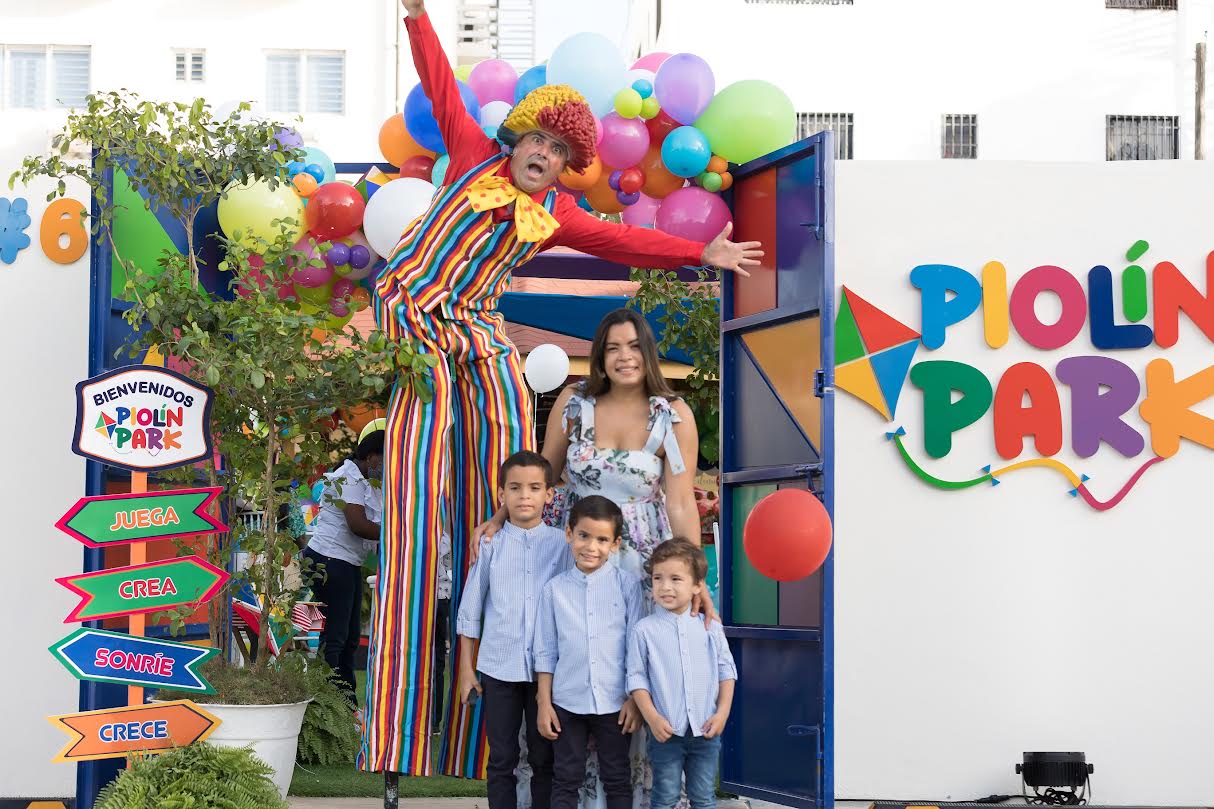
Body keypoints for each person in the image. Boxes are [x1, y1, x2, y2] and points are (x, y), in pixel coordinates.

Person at [367, 0, 762, 779]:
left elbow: (625, 238)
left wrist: (698, 252)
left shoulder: (554, 216)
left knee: (514, 399)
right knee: (435, 411)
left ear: (564, 165)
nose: (543, 155)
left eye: (558, 151)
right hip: (415, 312)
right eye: (537, 141)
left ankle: (501, 517)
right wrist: (415, 14)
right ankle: (424, 538)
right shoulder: (473, 151)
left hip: (475, 324)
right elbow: (439, 79)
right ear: (516, 139)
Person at [455, 451, 571, 809]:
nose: (525, 496)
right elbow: (471, 610)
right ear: (501, 494)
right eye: (516, 488)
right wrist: (464, 669)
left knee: (543, 758)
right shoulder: (490, 545)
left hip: (547, 672)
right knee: (502, 757)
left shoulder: (562, 545)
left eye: (535, 488)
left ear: (549, 495)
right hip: (498, 668)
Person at [533, 496, 645, 809]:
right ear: (569, 533)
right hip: (567, 702)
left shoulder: (627, 586)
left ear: (615, 544)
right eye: (583, 535)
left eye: (601, 539)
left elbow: (636, 647)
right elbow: (545, 650)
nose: (591, 547)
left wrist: (635, 699)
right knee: (566, 777)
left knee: (617, 777)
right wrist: (544, 702)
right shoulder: (554, 590)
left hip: (615, 703)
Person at [627, 539, 737, 809]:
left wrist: (722, 713)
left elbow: (727, 671)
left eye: (676, 579)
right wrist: (652, 718)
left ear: (697, 585)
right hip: (667, 732)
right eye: (658, 578)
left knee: (703, 798)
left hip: (706, 731)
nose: (665, 587)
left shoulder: (710, 627)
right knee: (664, 797)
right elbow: (636, 678)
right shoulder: (644, 630)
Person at [303, 430, 385, 707]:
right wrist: (397, 533)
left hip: (345, 562)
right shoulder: (348, 476)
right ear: (372, 456)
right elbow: (358, 524)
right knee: (336, 638)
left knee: (349, 638)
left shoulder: (368, 482)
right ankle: (327, 702)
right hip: (329, 560)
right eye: (386, 458)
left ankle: (345, 702)